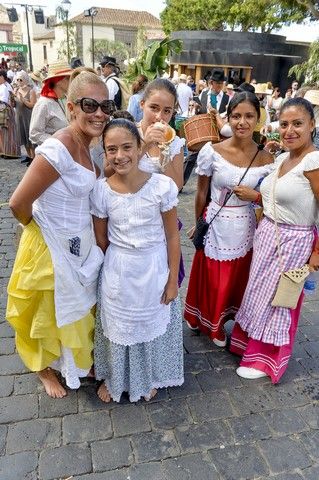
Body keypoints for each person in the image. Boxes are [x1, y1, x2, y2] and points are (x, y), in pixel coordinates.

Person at [6, 71, 112, 398]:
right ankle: (44, 370)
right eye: (89, 104)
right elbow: (18, 202)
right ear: (71, 108)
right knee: (45, 313)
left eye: (105, 106)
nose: (99, 113)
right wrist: (35, 230)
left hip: (78, 246)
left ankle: (72, 361)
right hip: (49, 246)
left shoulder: (89, 147)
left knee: (73, 309)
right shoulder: (59, 146)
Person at [91, 118, 184, 402]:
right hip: (119, 270)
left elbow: (172, 237)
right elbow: (101, 239)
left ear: (140, 146)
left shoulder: (162, 187)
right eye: (111, 150)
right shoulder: (101, 190)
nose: (120, 156)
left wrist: (172, 280)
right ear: (105, 153)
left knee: (150, 325)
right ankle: (116, 378)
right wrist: (114, 269)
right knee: (118, 327)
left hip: (154, 268)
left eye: (127, 147)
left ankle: (147, 378)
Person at [230, 97, 319, 382]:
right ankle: (249, 344)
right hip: (269, 236)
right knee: (259, 294)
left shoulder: (314, 160)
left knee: (278, 301)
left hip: (294, 242)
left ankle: (266, 359)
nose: (289, 130)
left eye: (297, 124)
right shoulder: (283, 158)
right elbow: (276, 200)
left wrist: (317, 253)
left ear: (312, 125)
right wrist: (256, 198)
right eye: (284, 124)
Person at [184, 92, 273, 346]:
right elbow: (201, 191)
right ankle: (207, 322)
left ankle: (223, 320)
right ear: (228, 118)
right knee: (212, 276)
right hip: (215, 222)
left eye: (248, 116)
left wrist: (255, 197)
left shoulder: (267, 159)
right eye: (236, 116)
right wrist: (199, 222)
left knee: (235, 277)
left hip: (245, 225)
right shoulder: (212, 152)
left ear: (257, 119)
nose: (241, 122)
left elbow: (272, 200)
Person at [29, 61, 72, 146]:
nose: (71, 81)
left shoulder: (63, 99)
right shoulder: (44, 103)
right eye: (67, 78)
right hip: (52, 154)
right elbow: (34, 134)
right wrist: (59, 142)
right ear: (58, 81)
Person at [14, 70, 37, 162]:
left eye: (21, 79)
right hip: (19, 116)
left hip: (28, 116)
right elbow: (15, 105)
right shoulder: (16, 90)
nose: (19, 81)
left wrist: (22, 99)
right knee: (23, 135)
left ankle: (34, 157)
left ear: (26, 80)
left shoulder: (31, 91)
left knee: (29, 136)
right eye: (18, 79)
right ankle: (29, 156)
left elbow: (32, 105)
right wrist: (13, 97)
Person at [0, 69, 20, 159]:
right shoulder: (4, 86)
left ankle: (11, 152)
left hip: (7, 111)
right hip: (4, 110)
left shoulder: (6, 87)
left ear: (2, 77)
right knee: (4, 132)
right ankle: (5, 151)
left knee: (9, 131)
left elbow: (5, 99)